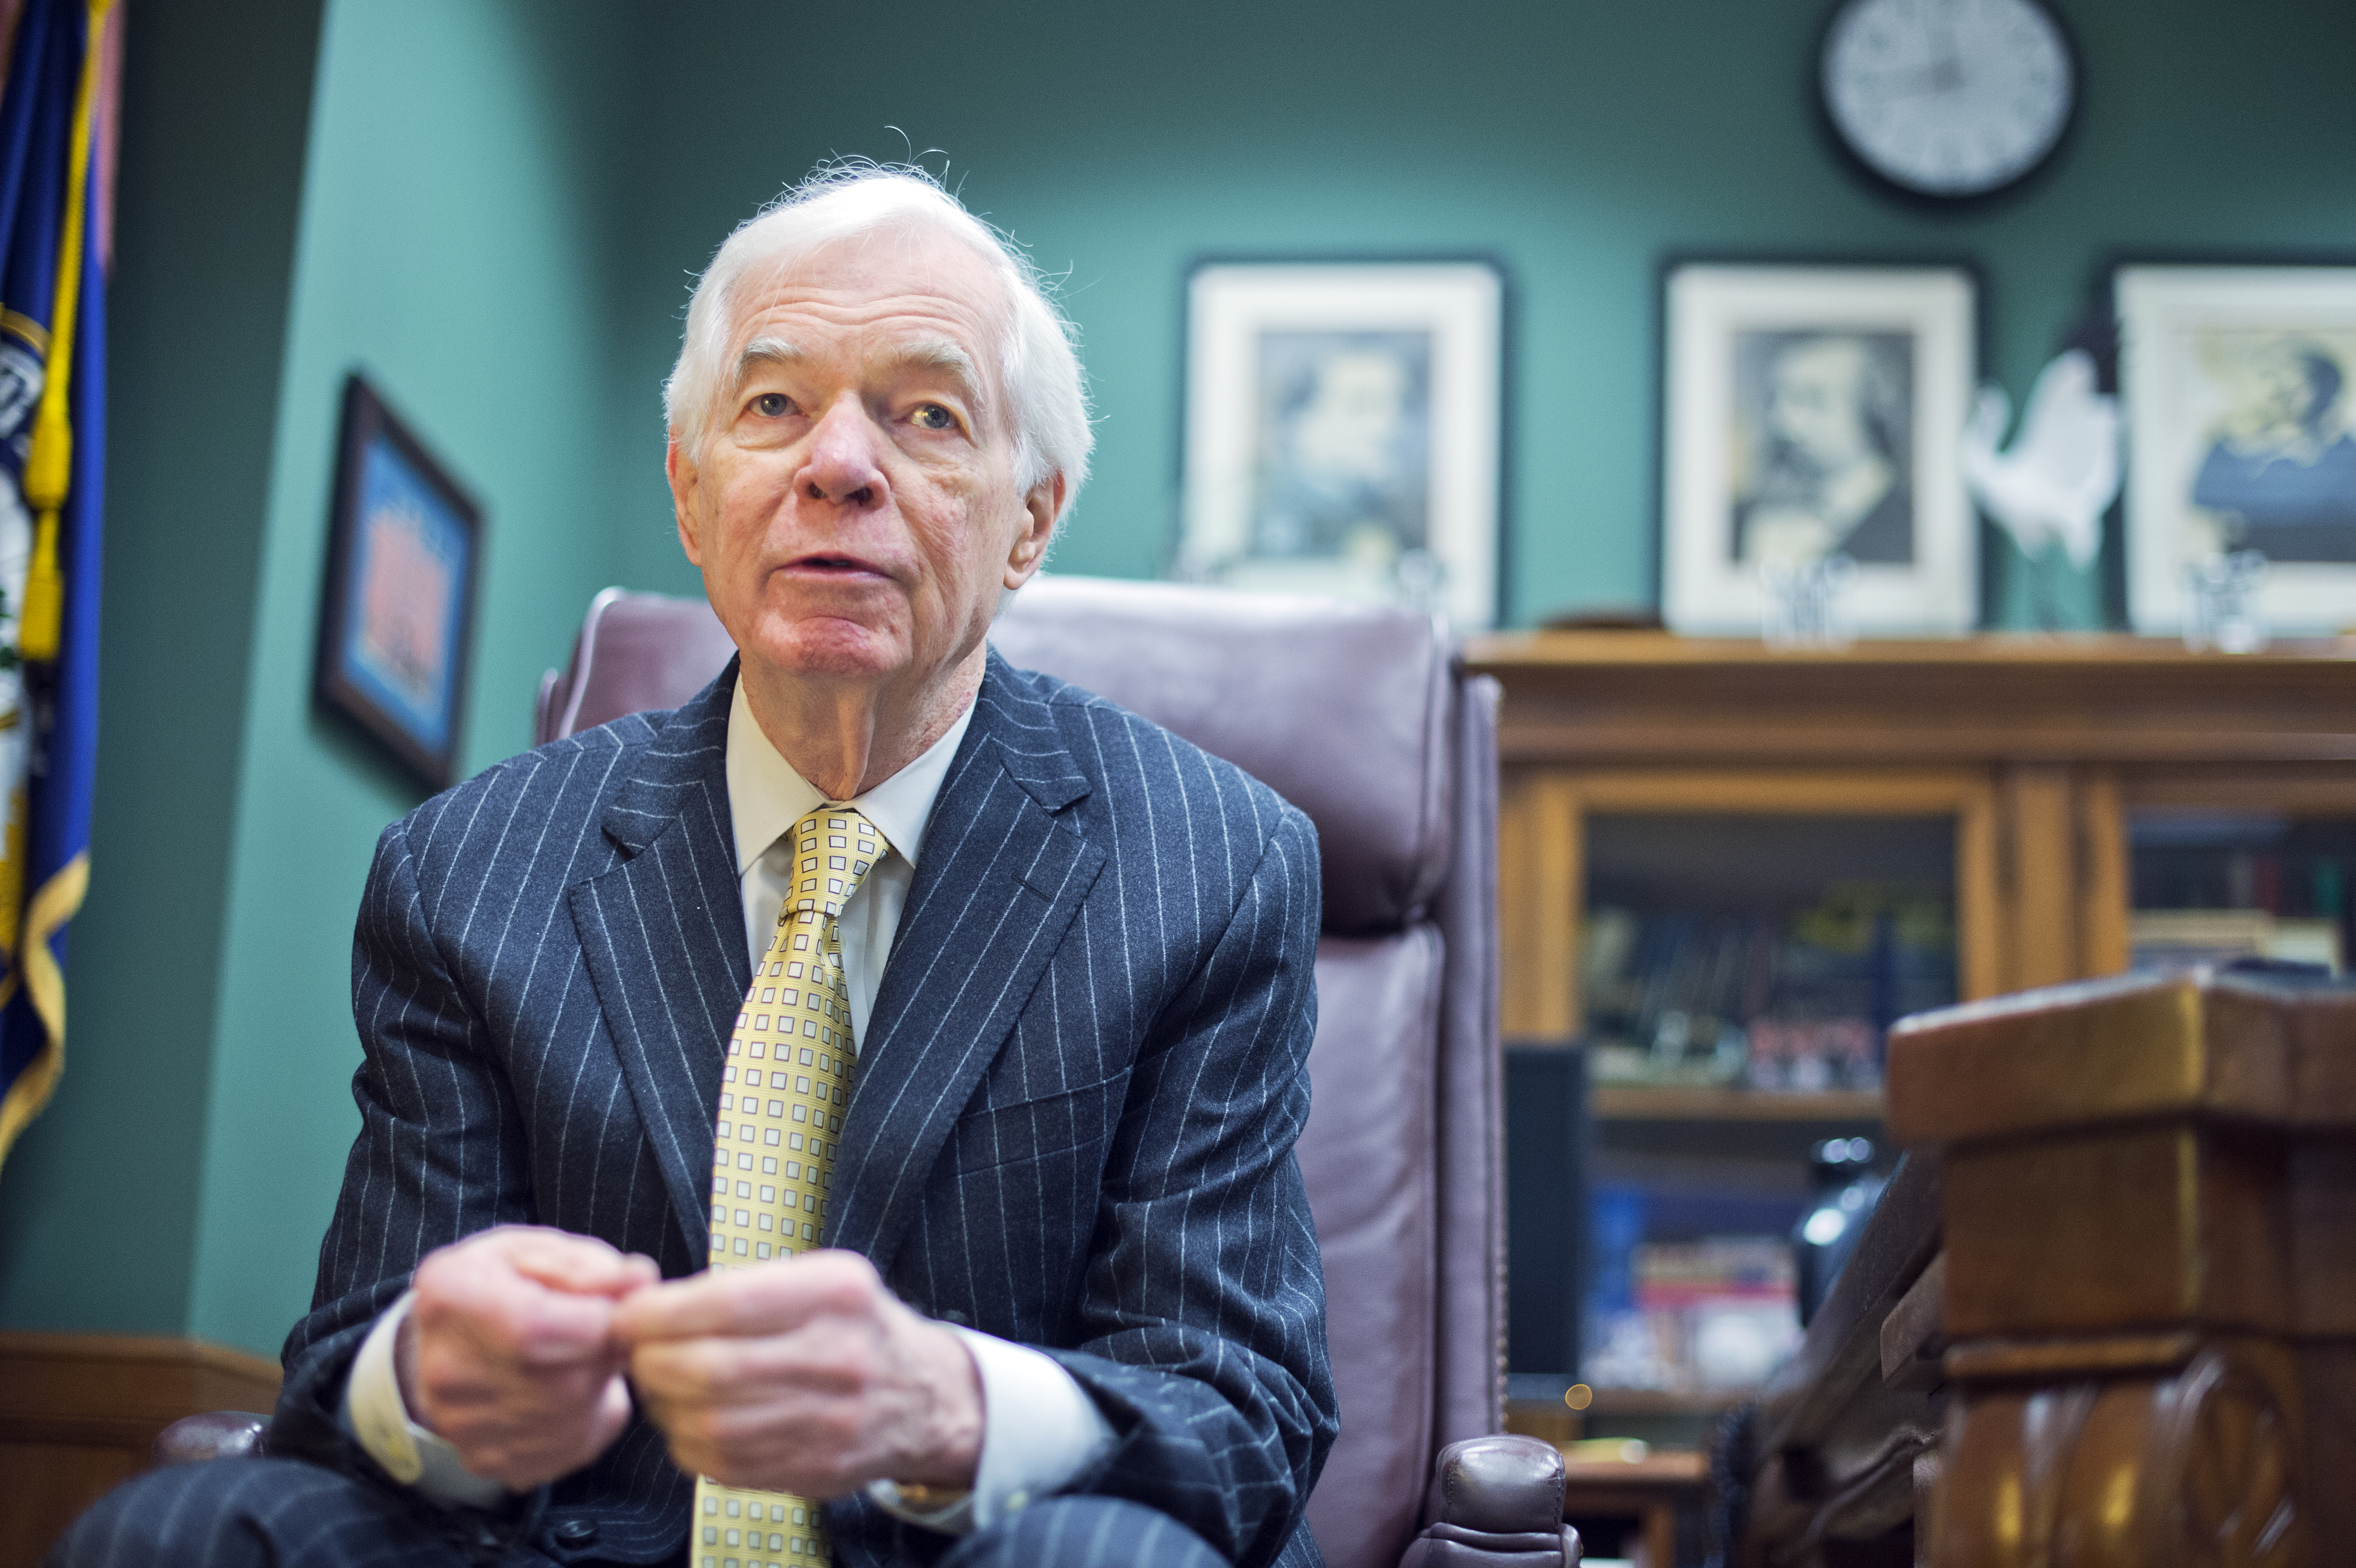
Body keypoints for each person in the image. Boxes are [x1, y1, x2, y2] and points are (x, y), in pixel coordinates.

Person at [55, 166, 1336, 1568]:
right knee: (175, 1534)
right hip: (565, 1543)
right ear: (690, 491)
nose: (836, 464)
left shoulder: (1211, 866)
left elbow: (1241, 1408)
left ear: (1030, 519)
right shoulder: (465, 872)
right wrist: (430, 1378)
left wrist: (947, 1406)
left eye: (926, 414)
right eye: (774, 405)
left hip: (983, 1548)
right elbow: (347, 1371)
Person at [1733, 333, 1912, 567]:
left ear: (1871, 411)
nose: (1783, 423)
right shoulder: (1745, 518)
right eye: (1775, 400)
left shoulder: (1910, 524)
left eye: (1812, 399)